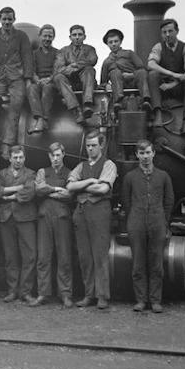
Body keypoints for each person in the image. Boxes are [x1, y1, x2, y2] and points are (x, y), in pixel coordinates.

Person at [121, 140, 175, 313]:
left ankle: (156, 300)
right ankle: (141, 300)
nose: (145, 157)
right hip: (136, 220)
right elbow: (126, 201)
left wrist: (163, 220)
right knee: (138, 263)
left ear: (154, 153)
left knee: (156, 263)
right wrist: (134, 216)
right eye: (142, 153)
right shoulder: (130, 177)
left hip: (157, 220)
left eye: (148, 153)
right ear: (137, 155)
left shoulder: (163, 176)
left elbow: (169, 200)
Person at [66, 131, 117, 309]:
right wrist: (90, 182)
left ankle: (102, 296)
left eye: (94, 145)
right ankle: (89, 295)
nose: (90, 149)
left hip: (100, 212)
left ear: (101, 145)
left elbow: (103, 189)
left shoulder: (109, 164)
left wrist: (82, 186)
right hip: (81, 212)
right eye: (88, 145)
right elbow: (70, 185)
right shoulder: (81, 166)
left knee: (100, 255)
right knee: (85, 256)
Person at [0, 7, 34, 160]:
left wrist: (28, 79)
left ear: (14, 20)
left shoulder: (21, 36)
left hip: (16, 76)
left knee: (16, 103)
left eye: (10, 19)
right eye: (4, 19)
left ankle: (8, 143)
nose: (7, 22)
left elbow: (27, 57)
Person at [30, 142, 74, 308]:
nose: (55, 159)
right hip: (44, 216)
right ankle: (43, 293)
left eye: (58, 155)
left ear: (63, 154)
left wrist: (49, 191)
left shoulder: (70, 173)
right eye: (52, 155)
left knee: (64, 257)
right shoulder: (42, 171)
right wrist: (56, 189)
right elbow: (39, 190)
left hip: (62, 217)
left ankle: (65, 294)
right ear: (49, 156)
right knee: (43, 257)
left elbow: (69, 194)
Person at [0, 145, 37, 304]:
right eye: (15, 157)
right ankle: (12, 291)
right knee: (10, 256)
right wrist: (15, 188)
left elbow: (30, 191)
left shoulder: (31, 173)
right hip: (6, 218)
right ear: (10, 158)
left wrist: (9, 197)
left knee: (29, 255)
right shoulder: (2, 174)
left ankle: (25, 292)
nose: (18, 160)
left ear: (24, 158)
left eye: (21, 157)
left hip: (25, 217)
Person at [147, 18, 185, 136]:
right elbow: (151, 64)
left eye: (170, 31)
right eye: (164, 32)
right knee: (152, 74)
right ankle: (158, 114)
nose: (167, 35)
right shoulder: (158, 47)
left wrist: (174, 83)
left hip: (178, 87)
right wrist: (173, 74)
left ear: (177, 31)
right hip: (161, 88)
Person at [99, 29, 152, 116]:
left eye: (116, 41)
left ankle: (146, 101)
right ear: (107, 44)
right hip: (119, 85)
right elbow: (103, 82)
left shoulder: (129, 53)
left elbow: (141, 67)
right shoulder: (107, 62)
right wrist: (106, 85)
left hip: (134, 82)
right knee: (114, 72)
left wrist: (132, 75)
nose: (113, 44)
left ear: (120, 41)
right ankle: (119, 102)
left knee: (142, 72)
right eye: (110, 42)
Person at [53, 25, 98, 126]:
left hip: (87, 81)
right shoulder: (63, 51)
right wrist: (72, 71)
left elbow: (92, 60)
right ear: (70, 37)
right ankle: (76, 110)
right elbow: (58, 69)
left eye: (80, 34)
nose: (77, 37)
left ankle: (87, 104)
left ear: (84, 36)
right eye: (74, 35)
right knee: (58, 77)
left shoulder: (90, 49)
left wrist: (76, 65)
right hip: (70, 83)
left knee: (89, 69)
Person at [26, 24, 59, 134]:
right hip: (38, 81)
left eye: (50, 36)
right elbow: (32, 69)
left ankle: (44, 119)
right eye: (45, 36)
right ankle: (39, 118)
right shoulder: (34, 54)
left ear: (53, 37)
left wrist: (50, 79)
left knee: (48, 88)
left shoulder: (58, 53)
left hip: (52, 83)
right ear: (40, 36)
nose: (47, 39)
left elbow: (58, 69)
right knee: (31, 88)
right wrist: (36, 79)